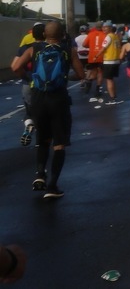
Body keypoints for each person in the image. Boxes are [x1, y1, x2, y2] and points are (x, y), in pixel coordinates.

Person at [11, 21, 85, 200]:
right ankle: (52, 186)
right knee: (59, 143)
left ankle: (39, 175)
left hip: (38, 98)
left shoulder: (33, 49)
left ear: (44, 34)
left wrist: (30, 77)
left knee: (43, 139)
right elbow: (81, 75)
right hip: (59, 99)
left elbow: (15, 67)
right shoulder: (69, 50)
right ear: (63, 35)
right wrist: (65, 77)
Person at [14, 22, 45, 146]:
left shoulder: (25, 44)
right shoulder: (50, 46)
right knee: (44, 112)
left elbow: (15, 66)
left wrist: (25, 76)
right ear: (45, 33)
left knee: (30, 110)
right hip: (45, 85)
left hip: (28, 83)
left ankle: (29, 124)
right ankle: (42, 139)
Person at [98, 21, 122, 104]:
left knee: (109, 80)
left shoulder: (108, 37)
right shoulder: (116, 37)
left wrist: (96, 56)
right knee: (111, 80)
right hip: (116, 61)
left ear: (110, 28)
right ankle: (114, 96)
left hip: (109, 61)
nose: (104, 28)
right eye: (103, 27)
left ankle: (112, 99)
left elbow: (103, 48)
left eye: (106, 27)